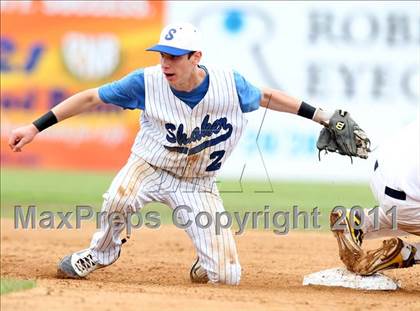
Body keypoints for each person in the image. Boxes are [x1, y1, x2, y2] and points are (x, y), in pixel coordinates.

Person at [9, 22, 367, 285]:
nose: (166, 63)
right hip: (148, 166)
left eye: (175, 57)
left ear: (196, 57)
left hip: (198, 184)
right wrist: (35, 127)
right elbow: (89, 98)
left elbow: (269, 97)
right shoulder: (145, 82)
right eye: (163, 54)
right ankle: (100, 253)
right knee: (119, 197)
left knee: (227, 278)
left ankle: (204, 262)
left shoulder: (230, 83)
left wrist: (321, 116)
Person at [330, 118, 419, 275]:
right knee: (407, 212)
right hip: (408, 197)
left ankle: (360, 220)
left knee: (403, 213)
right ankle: (406, 253)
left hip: (381, 172)